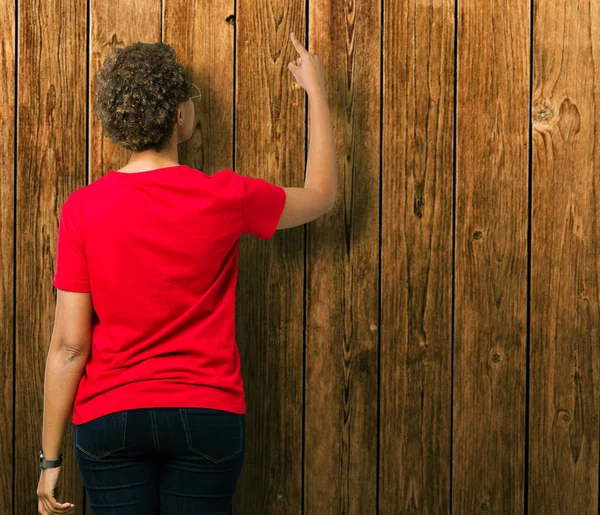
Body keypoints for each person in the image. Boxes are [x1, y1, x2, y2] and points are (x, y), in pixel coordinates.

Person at [36, 32, 337, 515]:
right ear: (179, 116)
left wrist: (49, 458)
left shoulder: (82, 209)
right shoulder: (226, 196)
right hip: (206, 414)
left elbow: (69, 346)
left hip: (112, 418)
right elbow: (321, 193)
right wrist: (317, 92)